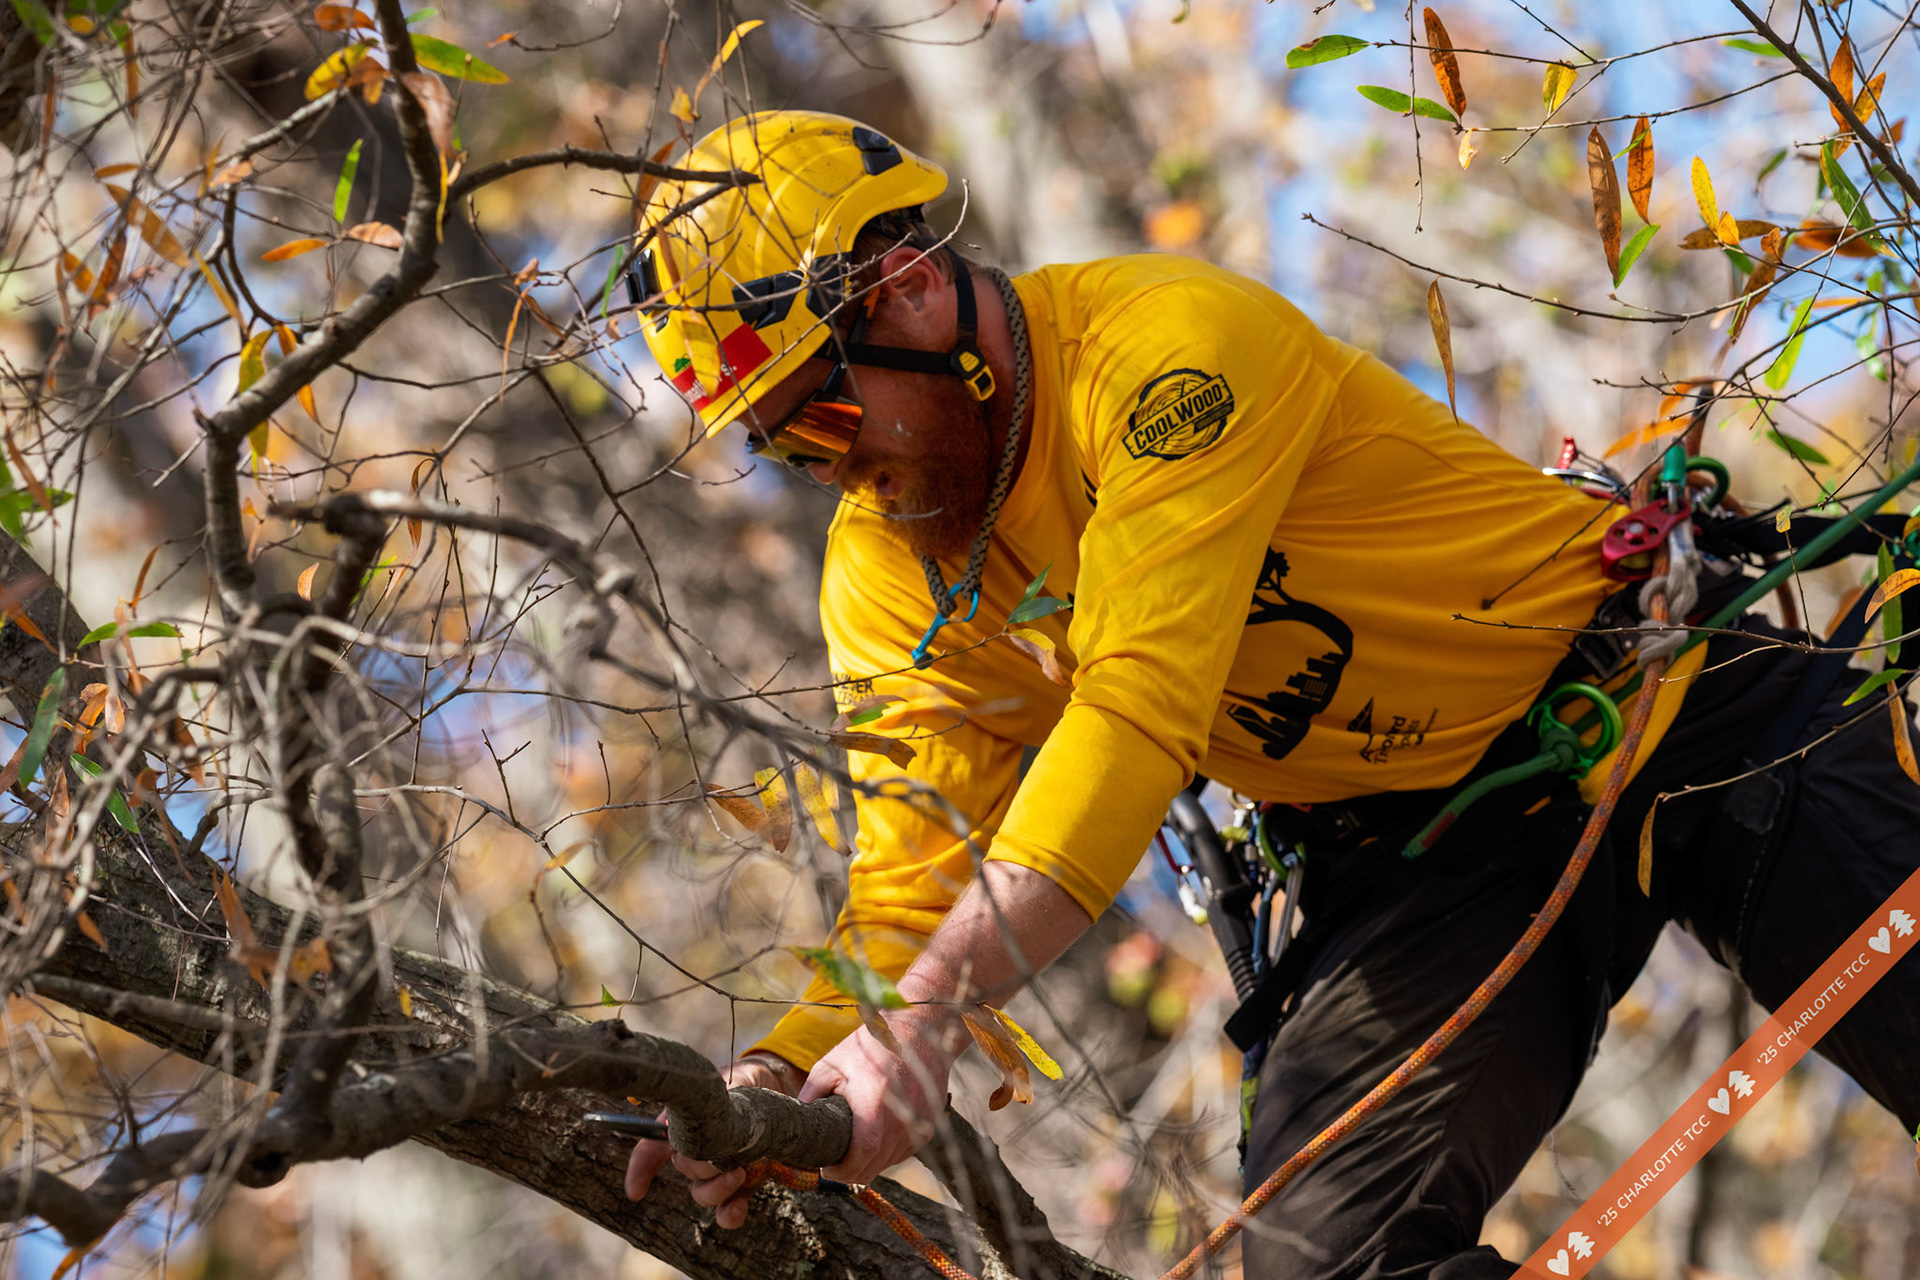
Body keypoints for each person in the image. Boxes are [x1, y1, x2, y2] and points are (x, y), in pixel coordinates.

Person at [620, 110, 1920, 1278]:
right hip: (1424, 849)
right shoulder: (893, 566)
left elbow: (1137, 706)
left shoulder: (1165, 351)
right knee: (1319, 1264)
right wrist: (778, 1075)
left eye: (824, 420)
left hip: (1674, 694)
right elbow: (911, 877)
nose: (831, 472)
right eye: (782, 449)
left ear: (904, 287)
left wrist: (928, 1018)